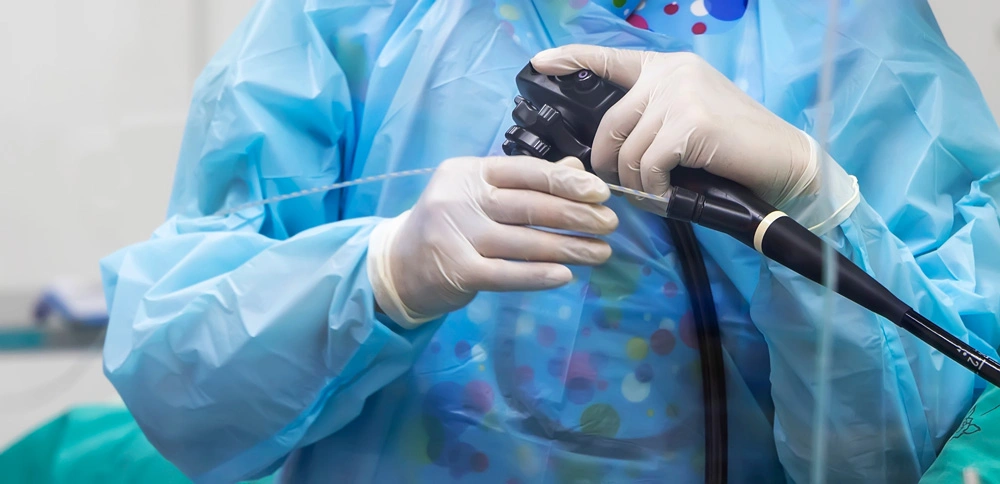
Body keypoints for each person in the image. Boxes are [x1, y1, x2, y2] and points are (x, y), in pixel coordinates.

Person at [99, 0, 1000, 482]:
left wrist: (815, 201)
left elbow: (934, 442)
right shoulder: (346, 22)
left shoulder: (852, 30)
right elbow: (177, 379)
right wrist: (378, 276)